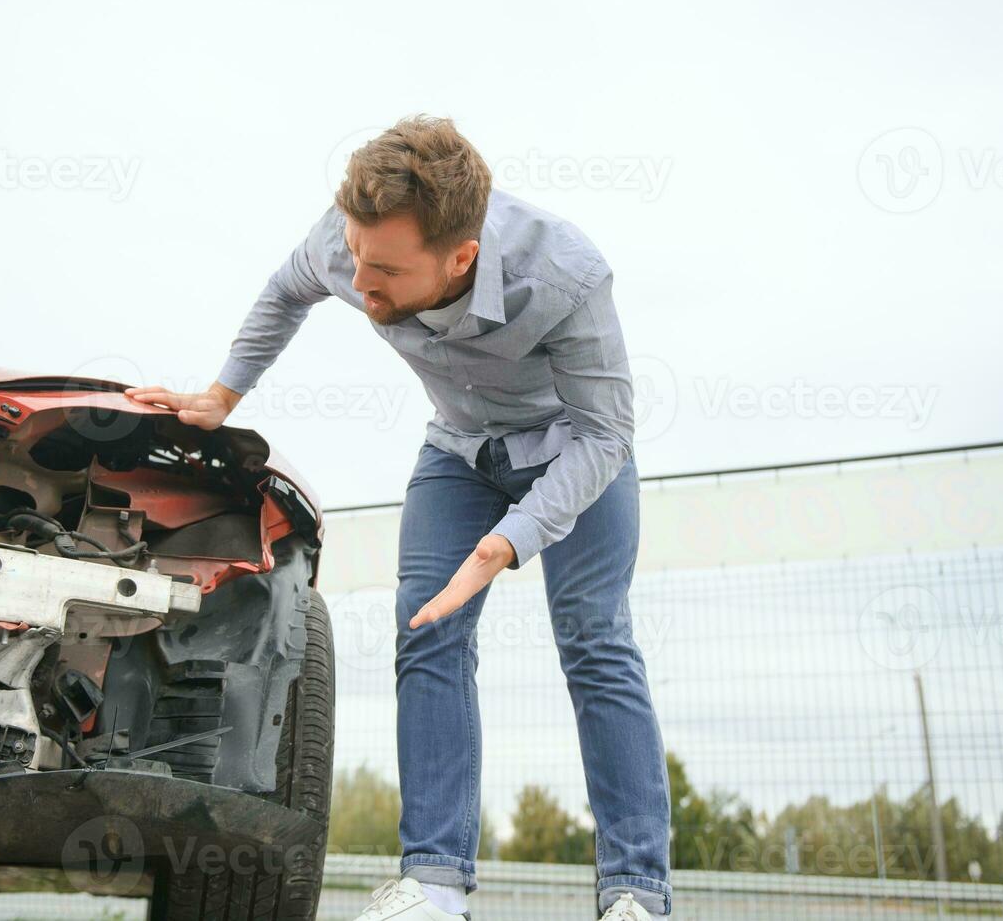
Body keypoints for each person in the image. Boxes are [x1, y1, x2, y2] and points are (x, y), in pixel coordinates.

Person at [125, 115, 674, 921]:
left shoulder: (564, 273)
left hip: (571, 454)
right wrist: (222, 394)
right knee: (425, 627)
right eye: (354, 256)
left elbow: (604, 435)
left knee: (593, 641)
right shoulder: (350, 244)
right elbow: (285, 291)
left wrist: (505, 544)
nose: (360, 281)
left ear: (461, 257)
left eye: (383, 269)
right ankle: (435, 882)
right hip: (459, 449)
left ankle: (636, 891)